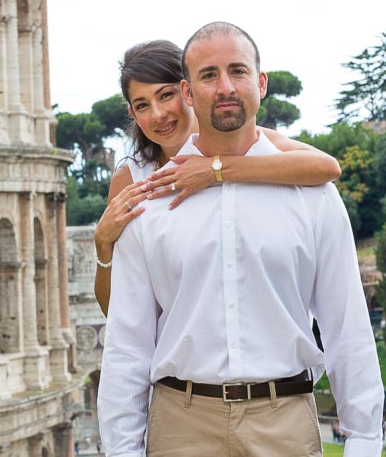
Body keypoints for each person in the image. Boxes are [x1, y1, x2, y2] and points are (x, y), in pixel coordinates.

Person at [98, 22, 384, 457]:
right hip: (180, 430)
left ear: (261, 83)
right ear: (192, 91)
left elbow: (346, 322)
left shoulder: (312, 192)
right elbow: (129, 336)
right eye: (209, 75)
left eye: (237, 72)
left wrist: (362, 443)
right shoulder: (147, 195)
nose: (225, 87)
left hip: (285, 424)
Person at [93, 39, 340, 315]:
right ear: (132, 114)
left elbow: (327, 166)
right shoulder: (130, 177)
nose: (158, 114)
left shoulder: (250, 143)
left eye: (165, 95)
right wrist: (103, 244)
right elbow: (115, 312)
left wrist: (215, 170)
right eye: (142, 105)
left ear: (189, 91)